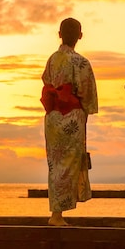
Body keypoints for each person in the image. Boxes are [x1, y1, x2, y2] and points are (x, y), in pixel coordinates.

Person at [42, 17, 98, 226]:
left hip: (53, 117)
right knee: (67, 165)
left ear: (59, 34)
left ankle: (56, 213)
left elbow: (47, 81)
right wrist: (86, 109)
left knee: (55, 164)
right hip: (72, 116)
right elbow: (87, 91)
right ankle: (57, 215)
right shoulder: (81, 62)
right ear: (80, 36)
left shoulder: (52, 59)